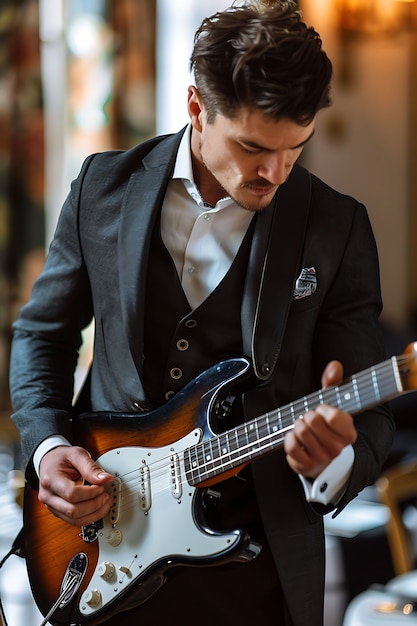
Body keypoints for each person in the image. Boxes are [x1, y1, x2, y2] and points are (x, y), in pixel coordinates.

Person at [9, 1, 394, 625]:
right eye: (252, 147)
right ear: (196, 107)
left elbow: (368, 405)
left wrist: (337, 457)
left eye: (295, 148)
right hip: (105, 554)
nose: (275, 172)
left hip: (255, 580)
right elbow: (42, 334)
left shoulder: (337, 226)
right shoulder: (101, 188)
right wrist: (50, 446)